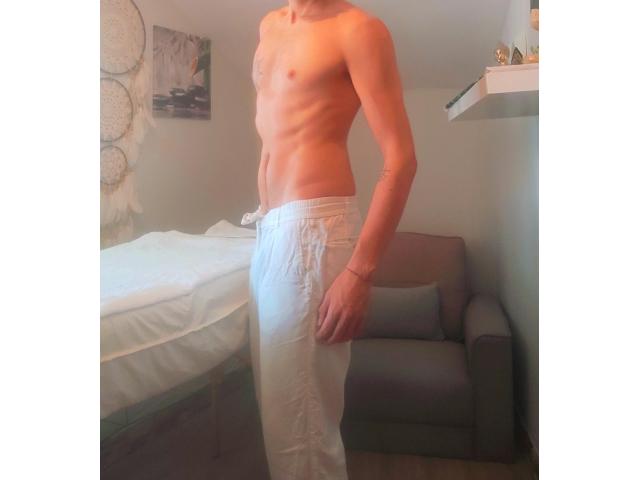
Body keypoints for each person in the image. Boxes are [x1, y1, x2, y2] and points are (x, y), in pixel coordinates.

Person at [241, 1, 416, 478]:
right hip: (270, 227)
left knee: (303, 429)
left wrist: (360, 272)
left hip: (314, 231)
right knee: (280, 415)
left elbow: (401, 160)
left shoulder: (358, 30)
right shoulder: (269, 25)